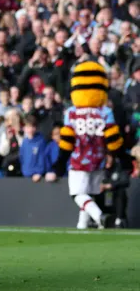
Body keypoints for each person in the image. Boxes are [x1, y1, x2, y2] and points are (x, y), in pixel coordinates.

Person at [46, 62, 130, 229]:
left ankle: (101, 217)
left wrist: (59, 165)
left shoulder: (72, 112)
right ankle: (82, 225)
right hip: (98, 160)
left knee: (77, 194)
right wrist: (124, 159)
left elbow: (66, 142)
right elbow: (114, 139)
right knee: (90, 193)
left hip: (79, 159)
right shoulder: (105, 112)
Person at [19, 115, 48, 182]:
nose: (31, 129)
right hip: (26, 174)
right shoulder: (24, 142)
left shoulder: (41, 141)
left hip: (38, 177)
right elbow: (22, 157)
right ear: (24, 128)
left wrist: (39, 172)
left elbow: (42, 158)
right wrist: (24, 170)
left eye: (33, 126)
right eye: (28, 127)